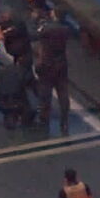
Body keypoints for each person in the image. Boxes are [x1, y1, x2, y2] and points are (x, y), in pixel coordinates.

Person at [34, 7, 71, 135]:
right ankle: (64, 120)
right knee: (63, 93)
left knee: (45, 93)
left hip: (47, 65)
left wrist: (39, 21)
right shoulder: (66, 29)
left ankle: (44, 119)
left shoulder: (47, 29)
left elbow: (36, 34)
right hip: (61, 64)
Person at [0, 60, 36, 129]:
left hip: (4, 99)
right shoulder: (23, 71)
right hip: (15, 98)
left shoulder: (2, 72)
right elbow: (30, 83)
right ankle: (28, 123)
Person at [0, 5, 34, 73]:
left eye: (5, 13)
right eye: (2, 13)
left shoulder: (18, 24)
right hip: (11, 56)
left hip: (23, 55)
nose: (4, 15)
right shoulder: (0, 26)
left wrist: (3, 34)